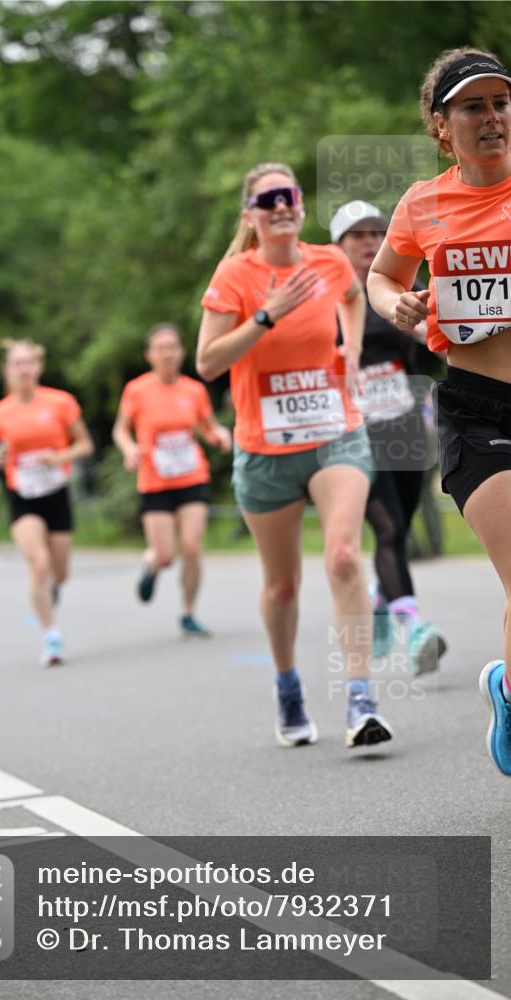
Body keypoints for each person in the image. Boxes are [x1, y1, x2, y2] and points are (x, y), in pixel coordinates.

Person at [197, 162, 393, 749]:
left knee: (342, 558)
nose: (283, 205)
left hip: (335, 433)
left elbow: (354, 297)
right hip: (265, 450)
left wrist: (351, 347)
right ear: (251, 215)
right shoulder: (235, 275)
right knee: (282, 586)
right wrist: (266, 314)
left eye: (291, 196)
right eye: (269, 199)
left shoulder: (330, 262)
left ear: (301, 207)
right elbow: (207, 362)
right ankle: (287, 686)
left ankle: (361, 699)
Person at [368, 48, 511, 776]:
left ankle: (506, 690)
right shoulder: (423, 203)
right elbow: (383, 272)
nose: (490, 118)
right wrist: (394, 301)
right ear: (439, 125)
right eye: (471, 107)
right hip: (478, 410)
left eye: (499, 103)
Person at [330, 200, 447, 673]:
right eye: (357, 235)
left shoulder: (400, 289)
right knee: (389, 529)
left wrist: (428, 330)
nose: (369, 242)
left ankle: (381, 600)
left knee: (401, 526)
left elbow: (436, 335)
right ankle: (415, 627)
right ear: (338, 245)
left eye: (377, 233)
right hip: (354, 433)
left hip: (403, 426)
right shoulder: (326, 297)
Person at [0, 338, 94, 667]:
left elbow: (85, 445)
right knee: (38, 562)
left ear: (38, 367)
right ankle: (51, 637)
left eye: (29, 362)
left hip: (56, 493)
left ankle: (52, 588)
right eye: (17, 363)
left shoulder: (61, 402)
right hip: (22, 496)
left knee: (60, 571)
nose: (24, 369)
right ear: (8, 371)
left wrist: (62, 456)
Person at [113, 323, 232, 638]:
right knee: (166, 555)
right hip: (154, 480)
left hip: (192, 476)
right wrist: (129, 449)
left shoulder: (194, 390)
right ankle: (152, 565)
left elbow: (207, 426)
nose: (167, 353)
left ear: (181, 352)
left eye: (173, 347)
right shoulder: (137, 390)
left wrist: (218, 434)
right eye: (160, 348)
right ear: (149, 355)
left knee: (192, 547)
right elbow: (121, 430)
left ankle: (188, 613)